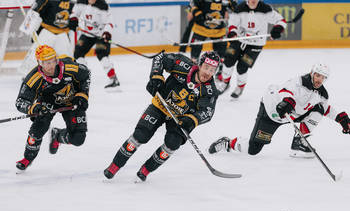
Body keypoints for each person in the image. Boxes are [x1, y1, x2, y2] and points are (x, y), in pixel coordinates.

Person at [104, 51, 220, 181]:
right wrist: (156, 77)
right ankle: (114, 166)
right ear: (200, 65)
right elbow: (160, 57)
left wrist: (191, 120)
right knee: (140, 135)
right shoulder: (183, 65)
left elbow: (207, 112)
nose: (208, 73)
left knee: (172, 144)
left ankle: (145, 171)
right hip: (160, 105)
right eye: (206, 67)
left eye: (212, 70)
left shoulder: (210, 90)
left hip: (180, 119)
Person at [208, 63, 350, 158]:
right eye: (317, 75)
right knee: (253, 150)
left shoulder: (322, 94)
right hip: (272, 111)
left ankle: (299, 143)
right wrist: (288, 101)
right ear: (312, 74)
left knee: (318, 109)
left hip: (292, 115)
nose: (319, 79)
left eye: (322, 77)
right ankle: (228, 143)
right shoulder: (298, 81)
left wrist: (341, 118)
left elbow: (326, 108)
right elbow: (284, 90)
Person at [15, 45, 91, 171]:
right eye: (45, 63)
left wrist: (82, 95)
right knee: (37, 131)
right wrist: (34, 108)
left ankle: (58, 136)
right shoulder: (33, 78)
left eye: (52, 61)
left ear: (56, 60)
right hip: (46, 104)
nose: (50, 66)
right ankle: (27, 158)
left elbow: (85, 75)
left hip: (71, 101)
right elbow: (20, 101)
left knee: (78, 139)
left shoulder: (69, 67)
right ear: (39, 63)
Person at [216, 0, 286, 98]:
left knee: (242, 67)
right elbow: (233, 24)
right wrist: (232, 32)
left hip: (256, 44)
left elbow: (281, 20)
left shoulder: (265, 9)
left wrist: (278, 28)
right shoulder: (239, 9)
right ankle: (225, 82)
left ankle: (240, 87)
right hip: (238, 40)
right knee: (228, 61)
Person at [69, 0, 120, 89]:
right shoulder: (81, 3)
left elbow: (109, 22)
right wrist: (73, 19)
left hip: (101, 35)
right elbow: (74, 12)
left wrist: (107, 33)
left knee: (101, 53)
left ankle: (113, 78)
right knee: (77, 53)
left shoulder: (103, 7)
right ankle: (84, 75)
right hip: (87, 34)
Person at [19, 0, 74, 75]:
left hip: (63, 34)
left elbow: (76, 17)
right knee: (37, 56)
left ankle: (68, 75)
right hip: (47, 32)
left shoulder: (74, 2)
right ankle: (28, 75)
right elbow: (35, 10)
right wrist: (30, 25)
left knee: (67, 58)